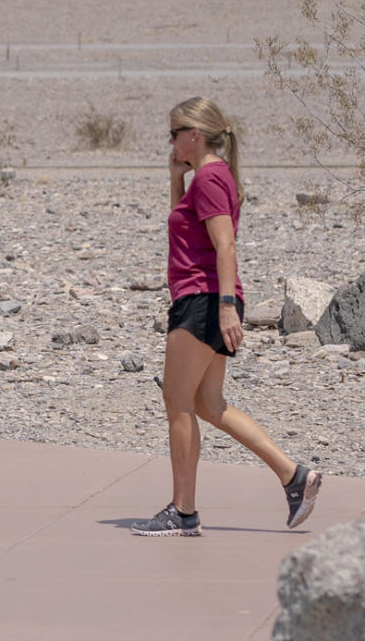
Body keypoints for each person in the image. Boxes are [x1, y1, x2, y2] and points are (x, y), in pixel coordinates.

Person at [131, 97, 321, 537]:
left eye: (174, 134)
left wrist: (227, 308)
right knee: (208, 404)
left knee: (177, 404)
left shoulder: (212, 178)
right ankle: (293, 477)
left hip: (202, 301)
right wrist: (175, 181)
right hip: (204, 298)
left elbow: (225, 244)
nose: (171, 142)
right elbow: (188, 229)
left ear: (194, 135)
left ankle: (183, 511)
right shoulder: (205, 178)